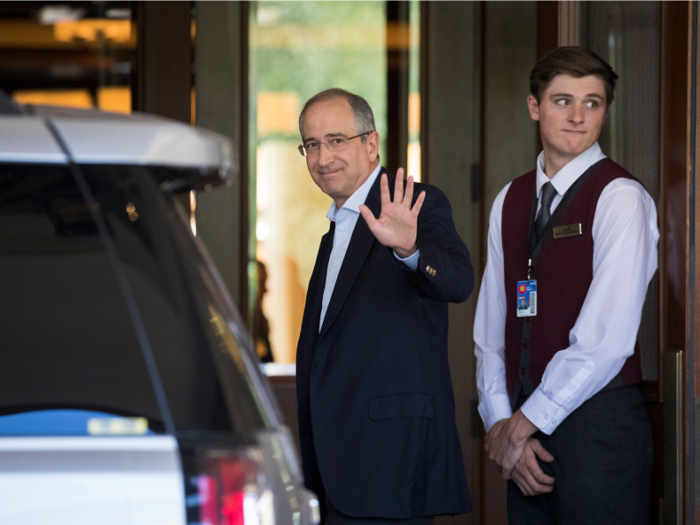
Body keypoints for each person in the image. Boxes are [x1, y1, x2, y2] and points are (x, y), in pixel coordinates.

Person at [474, 46, 657, 524]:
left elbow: (606, 340)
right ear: (535, 107)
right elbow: (491, 332)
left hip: (599, 434)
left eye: (592, 103)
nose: (578, 116)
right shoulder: (509, 200)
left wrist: (520, 426)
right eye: (562, 101)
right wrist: (500, 423)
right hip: (525, 440)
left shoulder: (621, 198)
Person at [295, 88, 473, 524]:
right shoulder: (337, 225)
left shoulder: (412, 203)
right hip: (334, 465)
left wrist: (410, 248)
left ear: (371, 144)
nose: (323, 158)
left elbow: (458, 281)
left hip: (391, 463)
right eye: (312, 145)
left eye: (337, 140)